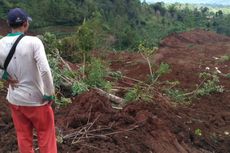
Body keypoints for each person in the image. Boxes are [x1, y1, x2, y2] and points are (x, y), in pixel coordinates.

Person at [0, 8, 57, 153]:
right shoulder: (34, 42)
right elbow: (44, 70)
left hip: (15, 100)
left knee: (23, 137)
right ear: (25, 24)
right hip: (36, 101)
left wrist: (3, 75)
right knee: (46, 136)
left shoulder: (1, 43)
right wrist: (49, 93)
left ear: (9, 24)